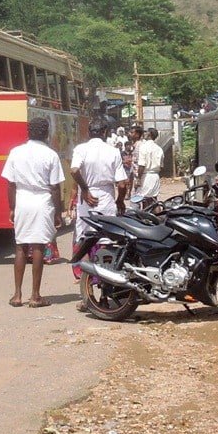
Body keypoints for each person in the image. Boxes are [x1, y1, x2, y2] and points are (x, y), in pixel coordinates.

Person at [1, 116, 66, 307]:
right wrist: (58, 212)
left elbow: (10, 184)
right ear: (46, 133)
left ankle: (17, 295)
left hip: (22, 200)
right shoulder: (51, 155)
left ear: (28, 132)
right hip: (42, 201)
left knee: (20, 246)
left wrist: (12, 207)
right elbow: (55, 187)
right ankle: (35, 296)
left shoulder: (15, 152)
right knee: (38, 247)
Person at [71, 118, 129, 309]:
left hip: (86, 201)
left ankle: (86, 295)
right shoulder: (112, 151)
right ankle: (105, 295)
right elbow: (122, 183)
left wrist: (85, 189)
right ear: (104, 132)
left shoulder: (81, 149)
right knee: (107, 246)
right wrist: (120, 200)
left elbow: (74, 170)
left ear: (89, 132)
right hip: (106, 200)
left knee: (84, 244)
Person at [134, 127, 164, 205]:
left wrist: (138, 179)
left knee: (145, 200)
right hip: (155, 176)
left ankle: (147, 217)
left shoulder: (143, 147)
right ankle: (157, 216)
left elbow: (142, 165)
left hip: (146, 176)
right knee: (154, 200)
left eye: (146, 132)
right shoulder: (159, 149)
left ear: (149, 134)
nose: (144, 134)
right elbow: (161, 166)